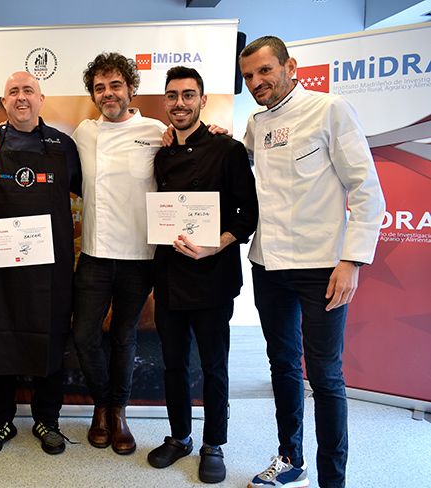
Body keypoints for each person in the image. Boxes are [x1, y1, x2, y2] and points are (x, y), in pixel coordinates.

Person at [239, 36, 385, 488]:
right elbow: (237, 161)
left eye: (265, 71)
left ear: (290, 66)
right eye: (248, 77)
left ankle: (332, 480)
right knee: (282, 365)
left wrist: (353, 260)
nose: (257, 82)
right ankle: (290, 460)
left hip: (323, 267)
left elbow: (366, 189)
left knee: (325, 375)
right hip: (267, 264)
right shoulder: (256, 124)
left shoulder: (330, 109)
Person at [0, 71, 82, 457]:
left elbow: (85, 193)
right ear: (4, 102)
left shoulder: (63, 145)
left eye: (28, 90)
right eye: (13, 91)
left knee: (51, 341)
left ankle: (48, 420)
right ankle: (0, 421)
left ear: (41, 99)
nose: (21, 97)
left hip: (51, 269)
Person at [146, 66, 258, 484]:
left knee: (214, 365)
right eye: (172, 96)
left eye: (188, 95)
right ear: (165, 103)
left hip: (213, 276)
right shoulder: (161, 155)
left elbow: (249, 213)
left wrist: (219, 242)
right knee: (172, 364)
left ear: (202, 100)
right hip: (170, 276)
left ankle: (214, 443)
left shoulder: (227, 151)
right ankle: (179, 437)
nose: (180, 103)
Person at [71, 52, 167, 455]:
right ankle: (101, 404)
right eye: (99, 88)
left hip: (138, 254)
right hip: (93, 252)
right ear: (93, 94)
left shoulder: (156, 129)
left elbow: (187, 158)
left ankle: (119, 413)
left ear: (130, 88)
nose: (107, 94)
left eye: (115, 86)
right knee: (84, 334)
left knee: (125, 336)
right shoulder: (84, 132)